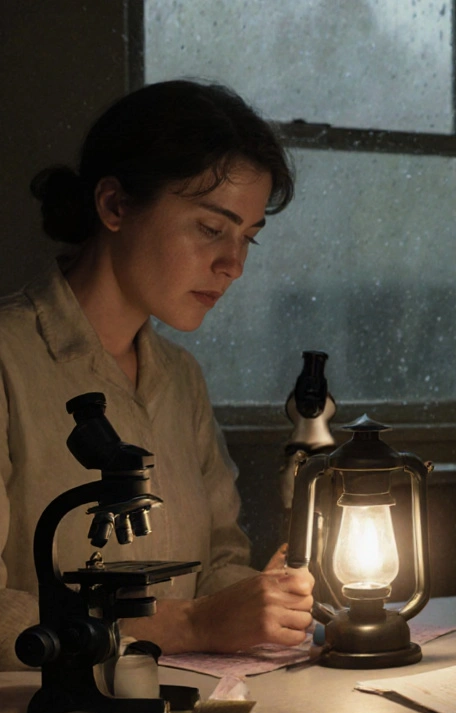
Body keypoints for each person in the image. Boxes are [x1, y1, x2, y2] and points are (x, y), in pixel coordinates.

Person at [0, 80, 316, 671]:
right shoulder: (9, 362)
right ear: (115, 205)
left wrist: (263, 595)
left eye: (247, 238)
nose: (234, 264)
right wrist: (191, 624)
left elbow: (217, 560)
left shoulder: (179, 378)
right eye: (210, 228)